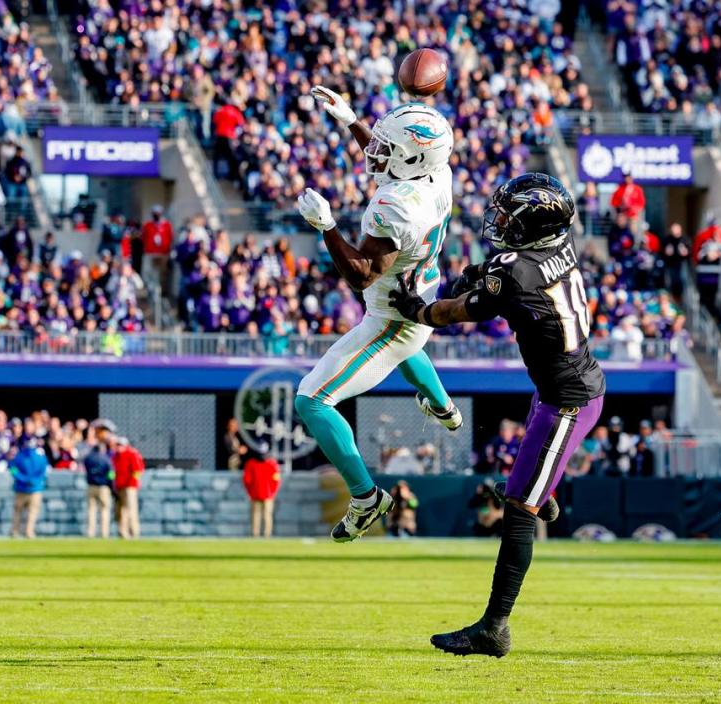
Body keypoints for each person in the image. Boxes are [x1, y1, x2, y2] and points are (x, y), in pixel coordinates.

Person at [389, 173, 606, 657]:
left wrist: (415, 310)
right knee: (525, 491)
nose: (501, 222)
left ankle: (495, 627)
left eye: (511, 216)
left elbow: (455, 312)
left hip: (566, 401)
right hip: (565, 389)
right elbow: (499, 275)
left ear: (533, 225)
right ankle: (541, 492)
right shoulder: (554, 250)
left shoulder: (516, 269)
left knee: (517, 511)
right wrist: (478, 275)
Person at [294, 88, 461, 543]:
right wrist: (351, 121)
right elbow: (394, 162)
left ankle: (366, 497)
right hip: (423, 291)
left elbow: (362, 275)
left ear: (411, 158)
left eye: (387, 148)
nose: (375, 152)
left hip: (392, 321)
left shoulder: (395, 207)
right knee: (413, 343)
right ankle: (443, 406)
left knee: (310, 400)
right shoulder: (437, 173)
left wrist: (326, 226)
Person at [10, 439, 49, 538]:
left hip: (22, 488)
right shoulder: (41, 457)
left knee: (18, 512)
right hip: (34, 488)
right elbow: (43, 473)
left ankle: (15, 531)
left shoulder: (19, 456)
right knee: (32, 512)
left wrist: (22, 479)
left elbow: (13, 469)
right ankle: (29, 532)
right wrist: (34, 481)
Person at [242, 444, 281, 538]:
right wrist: (273, 493)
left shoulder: (252, 464)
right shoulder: (271, 464)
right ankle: (266, 535)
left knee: (257, 516)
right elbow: (276, 480)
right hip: (266, 495)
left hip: (257, 494)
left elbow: (247, 480)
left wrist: (250, 492)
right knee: (266, 516)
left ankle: (256, 535)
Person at [112, 437, 144, 539]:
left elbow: (138, 471)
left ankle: (134, 532)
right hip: (119, 486)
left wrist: (132, 483)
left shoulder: (132, 454)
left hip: (129, 487)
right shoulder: (116, 456)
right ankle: (123, 532)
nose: (119, 447)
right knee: (120, 511)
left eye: (120, 445)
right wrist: (112, 482)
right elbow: (113, 472)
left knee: (130, 510)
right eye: (117, 445)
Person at [83, 441, 114, 538]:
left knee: (91, 510)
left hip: (91, 486)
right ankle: (104, 533)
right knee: (104, 510)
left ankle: (90, 533)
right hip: (103, 487)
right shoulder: (106, 459)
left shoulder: (88, 458)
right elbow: (111, 474)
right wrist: (112, 486)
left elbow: (86, 469)